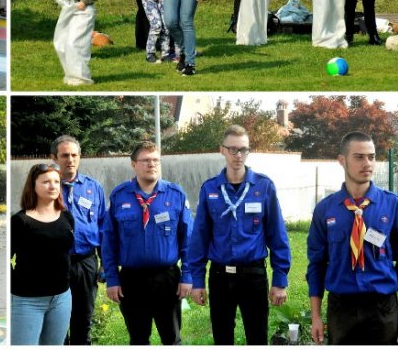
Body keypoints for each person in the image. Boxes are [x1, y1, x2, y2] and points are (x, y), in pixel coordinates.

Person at [306, 132, 398, 345]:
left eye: (371, 157)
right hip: (341, 309)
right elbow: (316, 265)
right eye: (359, 157)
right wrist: (316, 317)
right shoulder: (325, 210)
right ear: (342, 160)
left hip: (382, 308)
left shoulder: (394, 206)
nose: (367, 163)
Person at [188, 125, 291, 345]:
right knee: (222, 338)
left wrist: (280, 279)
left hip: (253, 276)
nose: (238, 155)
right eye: (233, 149)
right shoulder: (210, 189)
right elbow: (199, 238)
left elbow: (277, 235)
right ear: (222, 150)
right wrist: (197, 280)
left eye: (243, 150)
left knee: (257, 336)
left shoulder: (263, 186)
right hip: (220, 277)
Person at [101, 141, 192, 344]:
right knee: (138, 338)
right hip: (132, 281)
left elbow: (188, 240)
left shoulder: (175, 194)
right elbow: (109, 241)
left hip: (167, 279)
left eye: (156, 160)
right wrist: (112, 278)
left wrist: (187, 275)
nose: (152, 164)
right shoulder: (119, 195)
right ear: (133, 164)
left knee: (171, 337)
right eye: (146, 160)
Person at [11, 163, 74, 345]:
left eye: (56, 181)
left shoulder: (67, 217)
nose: (53, 186)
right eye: (46, 181)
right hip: (27, 301)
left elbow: (65, 254)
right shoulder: (20, 221)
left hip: (61, 298)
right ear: (33, 185)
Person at [52, 135, 106, 345]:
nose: (70, 160)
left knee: (83, 318)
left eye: (74, 155)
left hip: (85, 262)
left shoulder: (94, 188)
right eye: (64, 155)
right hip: (55, 263)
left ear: (80, 157)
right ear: (55, 158)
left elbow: (103, 228)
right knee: (56, 319)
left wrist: (106, 264)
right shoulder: (47, 187)